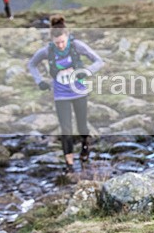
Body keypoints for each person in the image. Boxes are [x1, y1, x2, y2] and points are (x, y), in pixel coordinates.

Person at [28, 15, 104, 173]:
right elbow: (32, 64)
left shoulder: (77, 45)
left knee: (82, 125)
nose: (61, 46)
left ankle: (85, 147)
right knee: (66, 129)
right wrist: (39, 81)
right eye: (57, 43)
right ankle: (69, 165)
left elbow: (98, 61)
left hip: (79, 92)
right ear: (52, 41)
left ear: (67, 37)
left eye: (63, 42)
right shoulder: (47, 50)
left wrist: (86, 72)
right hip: (60, 94)